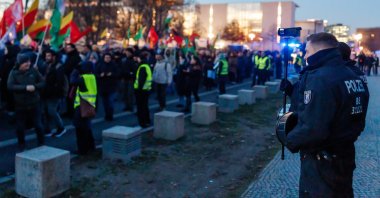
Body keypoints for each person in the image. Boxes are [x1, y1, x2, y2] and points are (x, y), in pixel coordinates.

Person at [277, 33, 369, 197]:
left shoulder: (320, 79)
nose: (305, 56)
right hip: (344, 154)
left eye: (307, 51)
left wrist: (287, 138)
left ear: (319, 51)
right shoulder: (353, 76)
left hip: (323, 162)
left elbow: (314, 129)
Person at [7, 53, 45, 151]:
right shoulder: (13, 73)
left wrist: (35, 87)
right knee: (20, 127)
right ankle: (21, 144)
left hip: (34, 103)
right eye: (25, 62)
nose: (28, 64)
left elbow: (42, 83)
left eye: (29, 62)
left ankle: (41, 143)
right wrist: (25, 88)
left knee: (38, 125)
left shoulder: (33, 70)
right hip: (20, 105)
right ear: (20, 63)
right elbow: (10, 86)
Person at [40, 49, 68, 137]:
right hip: (45, 92)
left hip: (54, 93)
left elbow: (59, 82)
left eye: (48, 56)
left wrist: (55, 92)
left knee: (52, 111)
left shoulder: (59, 67)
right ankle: (47, 129)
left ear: (54, 57)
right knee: (44, 111)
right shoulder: (46, 65)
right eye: (46, 56)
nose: (46, 57)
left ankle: (61, 128)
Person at [72, 61, 97, 155]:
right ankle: (91, 146)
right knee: (87, 128)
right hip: (89, 105)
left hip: (81, 106)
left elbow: (73, 81)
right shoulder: (92, 77)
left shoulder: (84, 78)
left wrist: (75, 71)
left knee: (80, 129)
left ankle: (82, 150)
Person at [95, 53, 120, 121]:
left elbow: (118, 74)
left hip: (112, 86)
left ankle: (110, 115)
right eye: (106, 57)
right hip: (103, 87)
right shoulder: (100, 65)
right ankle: (107, 115)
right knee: (105, 103)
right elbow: (96, 74)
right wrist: (100, 75)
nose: (107, 59)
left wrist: (111, 74)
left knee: (110, 102)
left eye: (109, 57)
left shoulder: (114, 65)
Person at [134, 51, 152, 128]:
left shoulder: (142, 67)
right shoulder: (146, 65)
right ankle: (147, 120)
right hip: (146, 89)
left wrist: (138, 89)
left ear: (140, 58)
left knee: (141, 107)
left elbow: (141, 80)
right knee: (145, 106)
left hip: (141, 90)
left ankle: (142, 122)